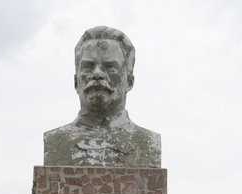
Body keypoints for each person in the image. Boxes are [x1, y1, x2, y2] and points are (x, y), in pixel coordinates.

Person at [43, 26, 160, 168]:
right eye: (88, 66)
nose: (97, 74)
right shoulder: (55, 141)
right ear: (76, 82)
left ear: (129, 82)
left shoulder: (147, 142)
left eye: (110, 67)